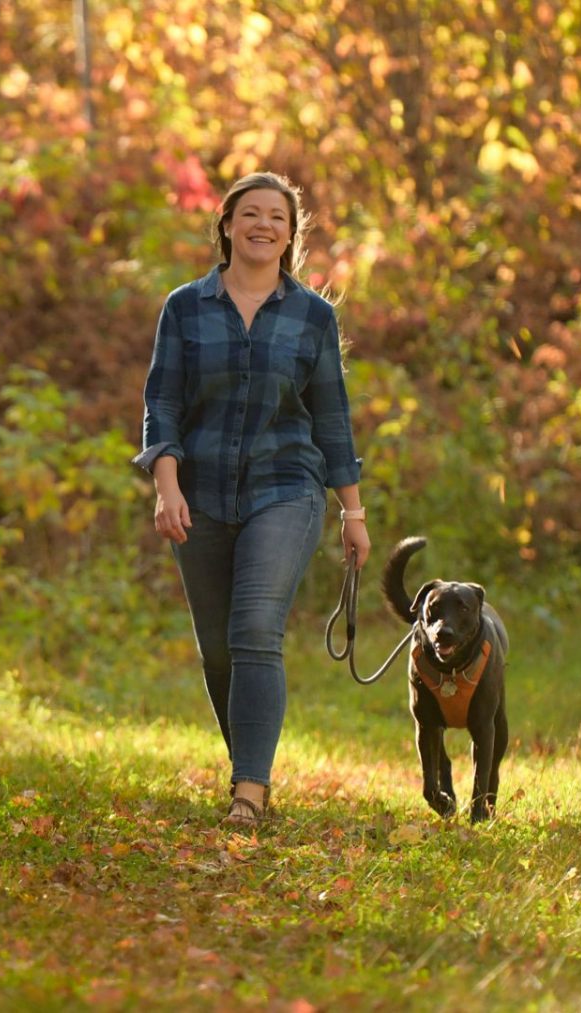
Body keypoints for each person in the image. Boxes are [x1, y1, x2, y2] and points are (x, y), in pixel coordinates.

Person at [133, 170, 371, 829]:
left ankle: (249, 792)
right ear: (228, 225)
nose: (263, 225)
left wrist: (352, 511)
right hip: (201, 492)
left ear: (291, 234)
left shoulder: (312, 316)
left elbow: (331, 417)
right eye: (251, 214)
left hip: (287, 489)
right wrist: (167, 485)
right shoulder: (185, 307)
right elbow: (163, 402)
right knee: (218, 648)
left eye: (277, 216)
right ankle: (249, 764)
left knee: (254, 629)